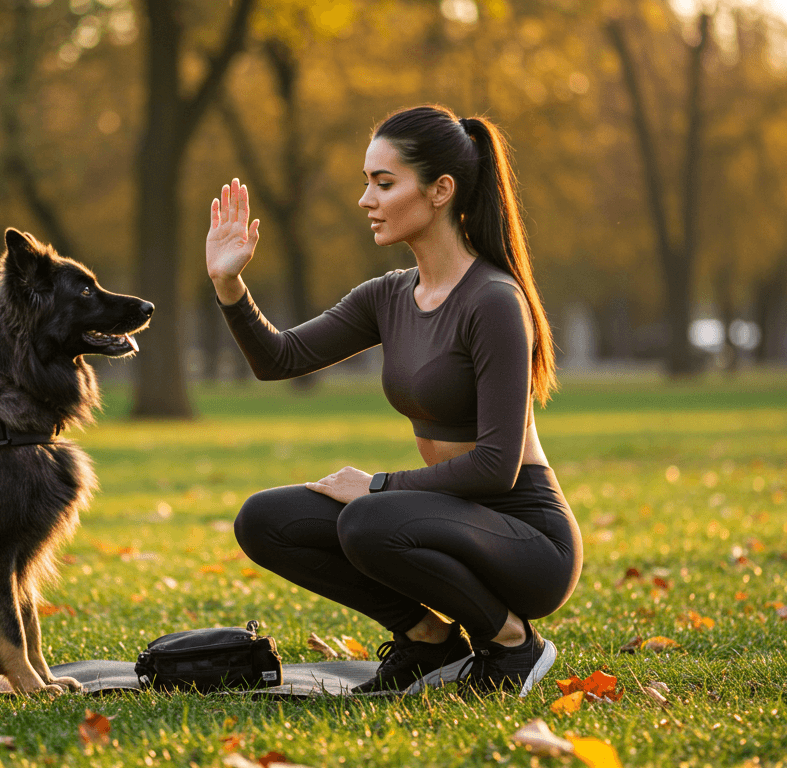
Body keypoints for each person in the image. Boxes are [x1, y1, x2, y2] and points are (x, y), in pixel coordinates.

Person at [205, 105, 582, 697]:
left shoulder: (493, 301)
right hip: (441, 518)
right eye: (366, 183)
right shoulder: (388, 295)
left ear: (440, 191)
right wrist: (230, 285)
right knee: (265, 520)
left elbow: (495, 466)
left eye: (384, 183)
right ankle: (429, 641)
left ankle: (514, 645)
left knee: (367, 519)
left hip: (526, 539)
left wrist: (378, 486)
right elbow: (278, 359)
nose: (366, 200)